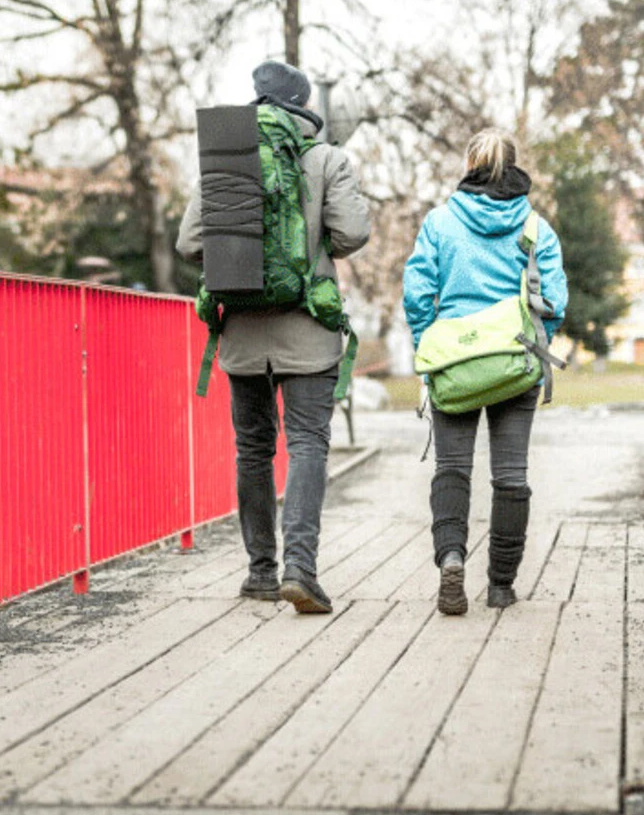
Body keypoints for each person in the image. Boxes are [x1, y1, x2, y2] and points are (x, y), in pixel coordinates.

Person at [177, 60, 370, 614]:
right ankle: (301, 571)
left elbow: (190, 243)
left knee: (253, 449)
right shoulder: (326, 158)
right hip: (307, 330)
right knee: (308, 444)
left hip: (241, 334)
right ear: (304, 106)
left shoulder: (227, 160)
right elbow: (352, 232)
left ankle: (260, 572)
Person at [403, 129, 568, 614]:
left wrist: (428, 347)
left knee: (451, 469)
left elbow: (417, 295)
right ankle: (500, 585)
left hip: (455, 364)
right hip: (516, 362)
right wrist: (539, 344)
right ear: (514, 167)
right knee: (511, 475)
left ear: (470, 165)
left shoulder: (439, 223)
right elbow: (554, 300)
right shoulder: (537, 229)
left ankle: (452, 557)